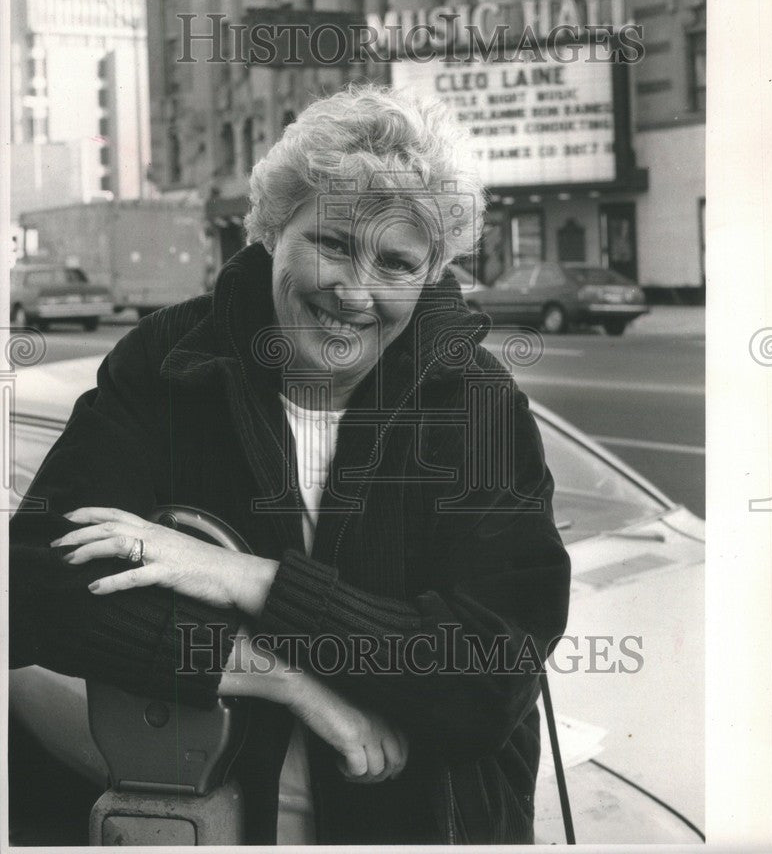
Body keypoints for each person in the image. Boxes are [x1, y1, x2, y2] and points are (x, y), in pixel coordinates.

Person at [10, 85, 570, 844]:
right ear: (274, 227)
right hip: (208, 819)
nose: (355, 291)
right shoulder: (171, 361)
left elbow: (487, 678)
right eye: (333, 243)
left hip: (429, 826)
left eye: (395, 261)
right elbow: (33, 590)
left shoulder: (475, 403)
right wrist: (281, 676)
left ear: (433, 272)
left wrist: (250, 581)